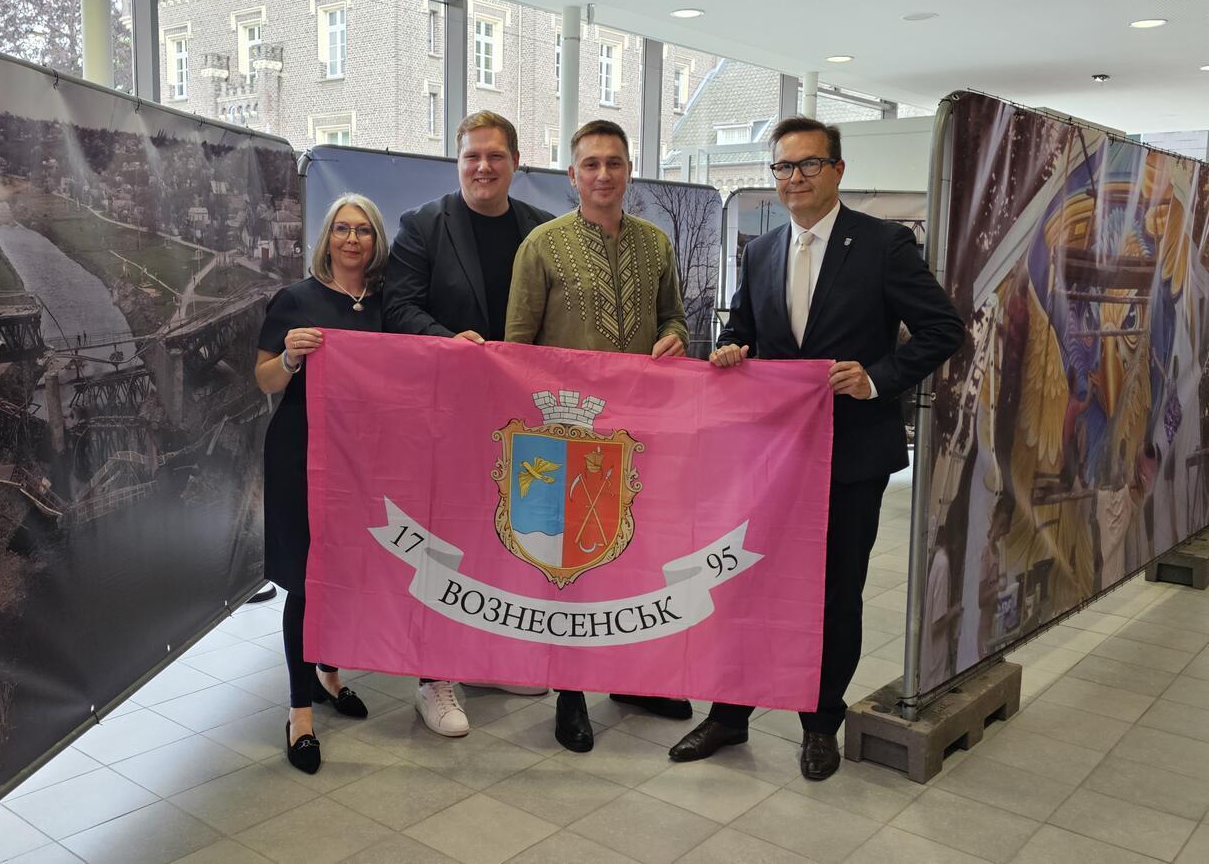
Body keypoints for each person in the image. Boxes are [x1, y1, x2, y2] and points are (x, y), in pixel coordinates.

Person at [669, 116, 964, 779]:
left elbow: (943, 328)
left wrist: (877, 377)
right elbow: (744, 329)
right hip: (772, 457)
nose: (794, 177)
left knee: (834, 593)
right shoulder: (762, 251)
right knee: (745, 583)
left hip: (852, 455)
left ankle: (821, 721)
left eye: (808, 164)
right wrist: (731, 349)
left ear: (837, 170)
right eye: (783, 166)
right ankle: (729, 714)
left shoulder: (883, 244)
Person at [506, 118, 693, 753]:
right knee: (571, 568)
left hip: (638, 434)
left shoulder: (656, 244)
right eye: (591, 164)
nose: (603, 174)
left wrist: (676, 338)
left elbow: (674, 317)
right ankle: (570, 692)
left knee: (634, 556)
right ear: (572, 175)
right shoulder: (541, 246)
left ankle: (630, 679)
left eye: (614, 163)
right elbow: (516, 348)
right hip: (564, 437)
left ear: (629, 171)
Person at [384, 110, 554, 738]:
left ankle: (488, 658)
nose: (483, 167)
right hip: (448, 415)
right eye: (471, 157)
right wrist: (447, 341)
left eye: (495, 156)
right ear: (457, 163)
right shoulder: (422, 226)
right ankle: (433, 677)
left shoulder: (544, 229)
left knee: (507, 539)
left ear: (516, 163)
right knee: (442, 543)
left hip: (523, 419)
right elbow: (398, 307)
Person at [254, 193, 389, 774]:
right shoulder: (295, 299)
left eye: (363, 230)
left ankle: (329, 675)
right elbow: (263, 379)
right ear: (327, 238)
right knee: (306, 580)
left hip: (362, 458)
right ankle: (299, 710)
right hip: (300, 454)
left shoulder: (387, 304)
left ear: (376, 240)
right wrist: (289, 358)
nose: (352, 239)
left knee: (348, 575)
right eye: (342, 228)